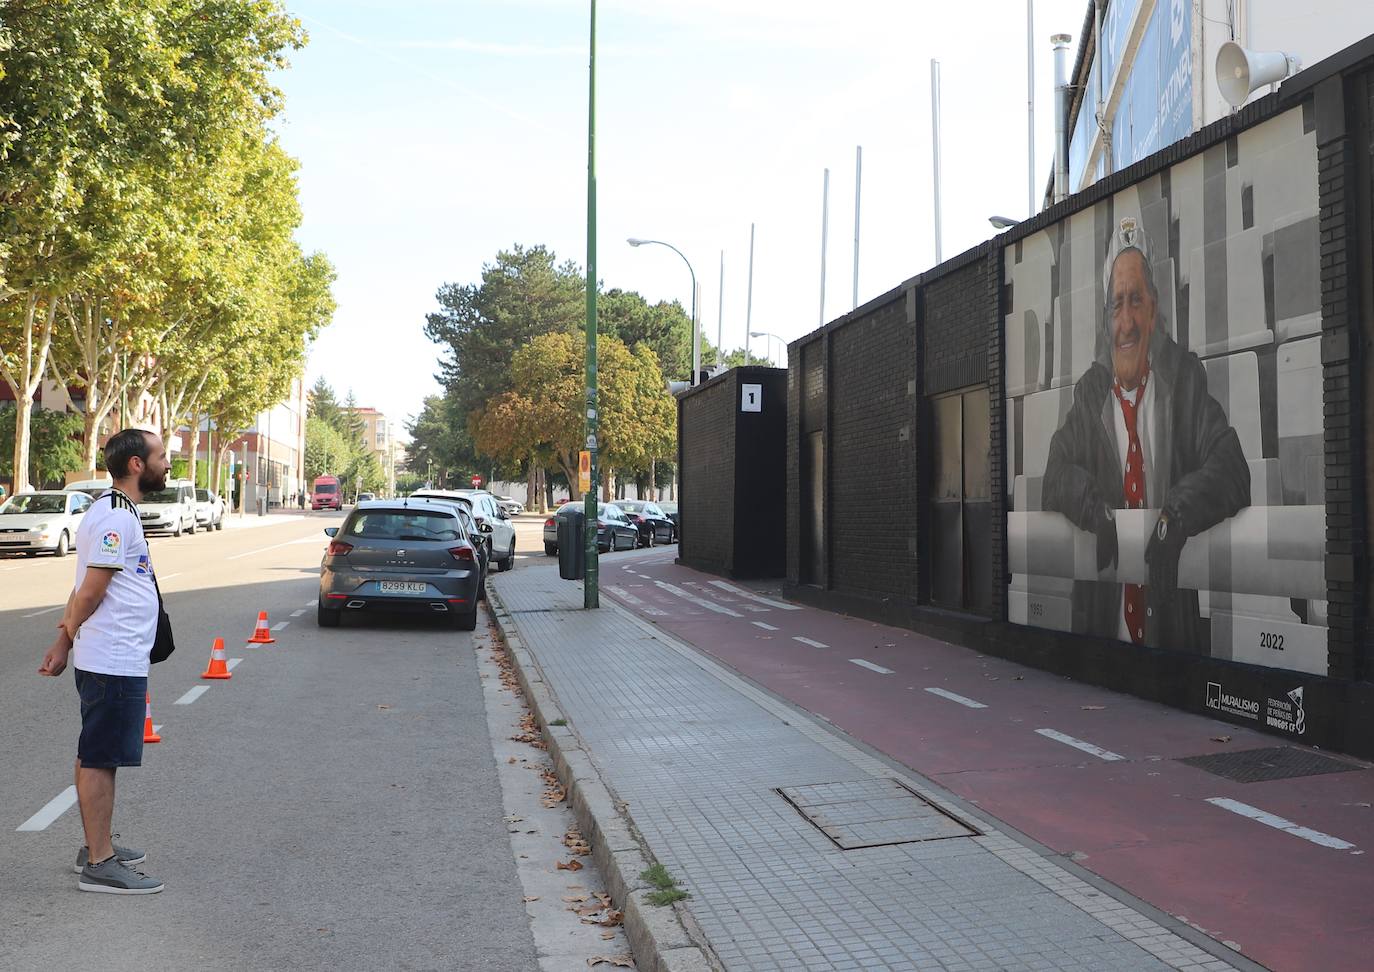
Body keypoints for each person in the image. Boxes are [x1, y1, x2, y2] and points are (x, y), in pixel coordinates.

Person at [1042, 218, 1250, 652]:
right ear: (1106, 322)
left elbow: (1231, 467)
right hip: (1102, 634)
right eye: (1116, 305)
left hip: (1172, 637)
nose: (1127, 322)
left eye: (1136, 300)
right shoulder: (1090, 394)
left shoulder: (1185, 380)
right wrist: (1095, 511)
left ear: (1154, 310)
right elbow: (1056, 473)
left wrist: (1175, 516)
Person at [38, 428, 171, 894]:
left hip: (110, 655)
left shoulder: (112, 510)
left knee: (94, 751)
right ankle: (100, 862)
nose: (168, 463)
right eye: (161, 456)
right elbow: (91, 590)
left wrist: (63, 641)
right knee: (101, 758)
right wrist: (67, 638)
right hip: (113, 659)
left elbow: (81, 586)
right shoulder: (117, 518)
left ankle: (93, 846)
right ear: (136, 464)